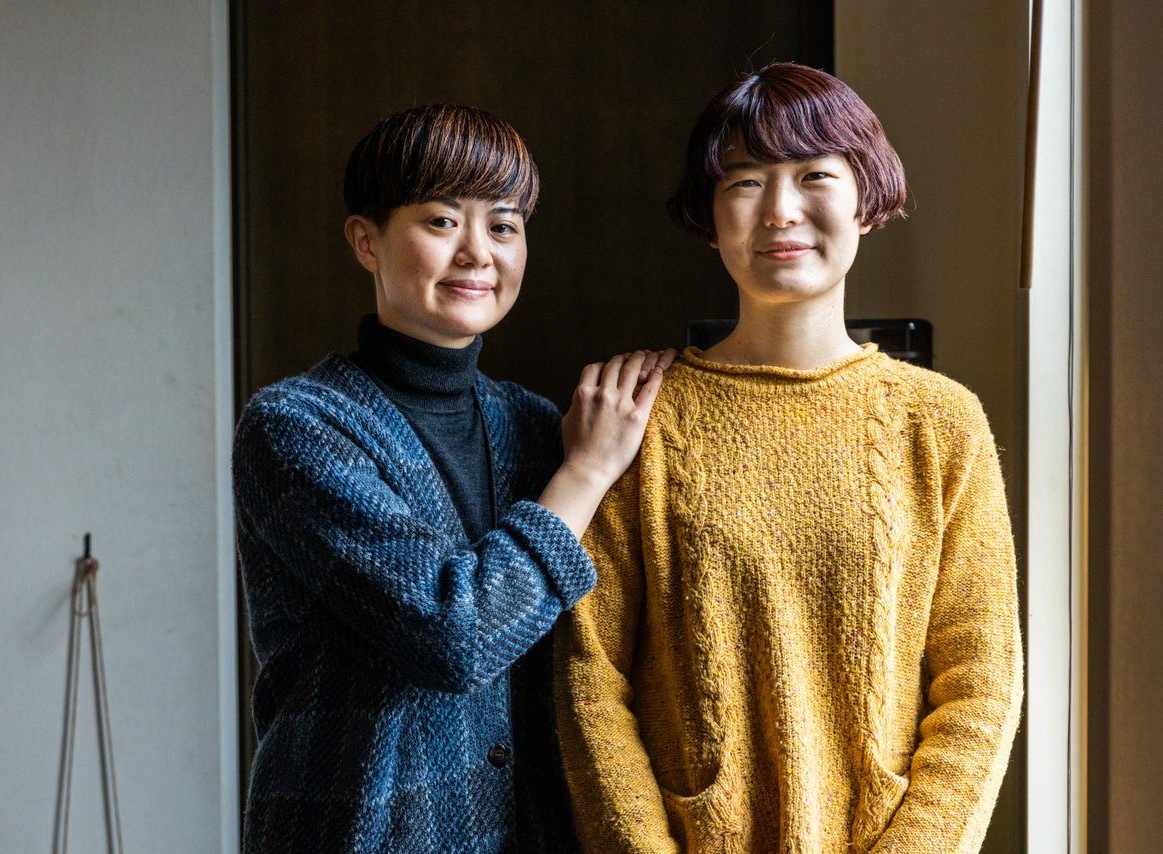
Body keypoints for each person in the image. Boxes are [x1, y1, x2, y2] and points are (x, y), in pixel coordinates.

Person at [555, 63, 1023, 853]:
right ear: (709, 214)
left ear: (866, 199)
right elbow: (590, 680)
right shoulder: (638, 416)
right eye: (744, 181)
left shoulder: (941, 423)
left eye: (814, 175)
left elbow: (980, 684)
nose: (780, 210)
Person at [233, 104, 671, 853]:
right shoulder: (297, 425)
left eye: (503, 225)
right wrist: (590, 470)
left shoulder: (534, 426)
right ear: (366, 240)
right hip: (359, 833)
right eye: (442, 222)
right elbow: (453, 635)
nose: (478, 253)